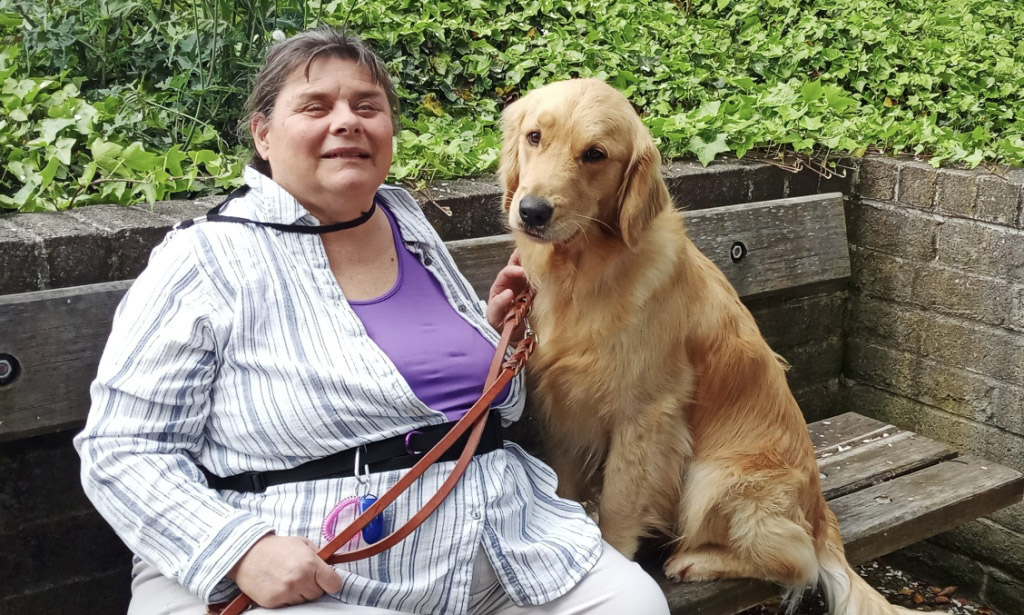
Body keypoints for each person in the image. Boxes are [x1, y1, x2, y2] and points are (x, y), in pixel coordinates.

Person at [75, 27, 671, 615]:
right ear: (263, 133)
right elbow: (121, 447)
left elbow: (483, 409)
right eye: (315, 106)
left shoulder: (405, 225)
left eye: (368, 106)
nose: (347, 122)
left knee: (634, 604)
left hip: (494, 541)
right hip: (314, 559)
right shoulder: (202, 257)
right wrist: (239, 550)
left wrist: (492, 340)